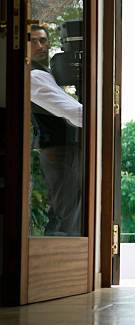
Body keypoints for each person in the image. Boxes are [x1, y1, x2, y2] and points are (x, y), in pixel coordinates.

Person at [30, 24, 83, 236]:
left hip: (58, 148)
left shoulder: (44, 73)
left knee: (64, 210)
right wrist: (103, 119)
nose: (40, 46)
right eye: (33, 41)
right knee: (68, 212)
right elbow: (71, 112)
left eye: (43, 40)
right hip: (58, 150)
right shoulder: (35, 76)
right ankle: (64, 263)